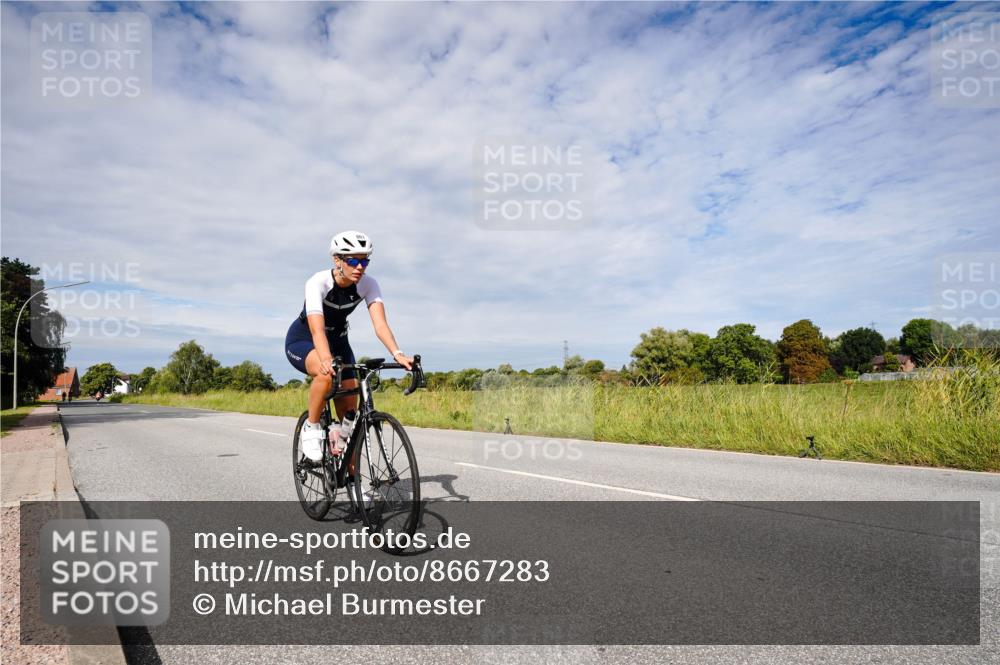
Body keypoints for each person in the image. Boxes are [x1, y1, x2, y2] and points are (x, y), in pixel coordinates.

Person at [285, 231, 413, 461]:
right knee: (325, 376)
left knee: (350, 421)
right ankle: (312, 428)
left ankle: (355, 484)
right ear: (337, 260)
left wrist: (398, 353)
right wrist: (325, 359)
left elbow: (381, 325)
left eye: (365, 260)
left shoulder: (368, 284)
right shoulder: (318, 282)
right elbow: (317, 329)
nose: (360, 267)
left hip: (340, 343)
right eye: (353, 260)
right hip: (305, 339)